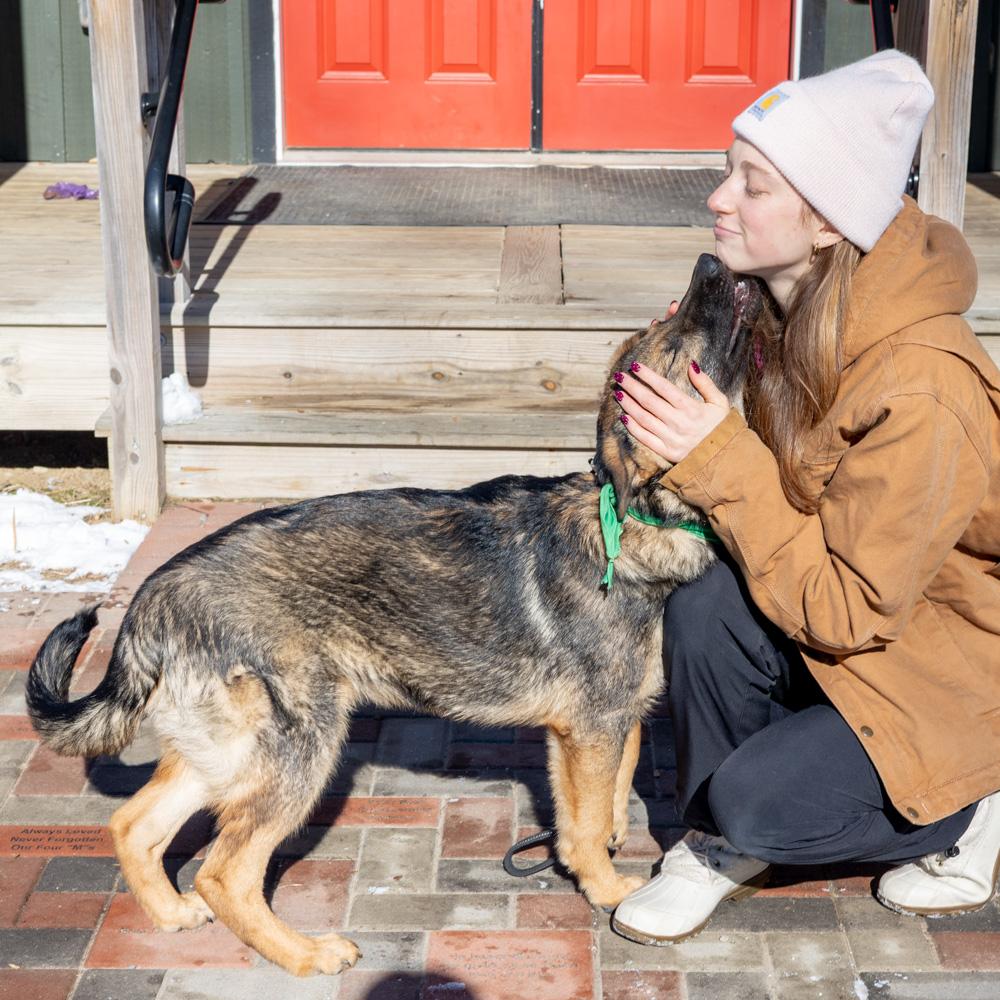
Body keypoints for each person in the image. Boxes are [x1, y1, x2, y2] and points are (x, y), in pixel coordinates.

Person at [609, 48, 1000, 945]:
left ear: (826, 220)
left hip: (943, 667)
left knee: (757, 802)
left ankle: (966, 804)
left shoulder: (923, 385)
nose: (718, 198)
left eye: (752, 185)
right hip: (861, 625)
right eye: (727, 173)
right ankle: (717, 842)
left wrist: (718, 458)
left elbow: (847, 609)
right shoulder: (793, 310)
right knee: (705, 607)